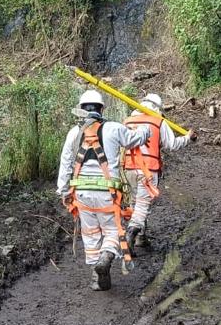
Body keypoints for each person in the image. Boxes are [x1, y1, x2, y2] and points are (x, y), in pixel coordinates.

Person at [56, 89, 151, 291]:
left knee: (90, 234)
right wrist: (146, 129)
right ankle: (107, 255)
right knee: (112, 231)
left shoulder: (74, 133)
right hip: (108, 192)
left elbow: (65, 163)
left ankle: (96, 278)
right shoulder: (114, 128)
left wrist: (63, 191)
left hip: (81, 192)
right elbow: (135, 139)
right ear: (102, 109)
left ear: (82, 109)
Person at [121, 93, 197, 249]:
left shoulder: (127, 121)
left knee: (135, 202)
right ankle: (131, 234)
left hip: (129, 168)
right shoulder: (158, 121)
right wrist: (187, 137)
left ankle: (141, 237)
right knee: (143, 205)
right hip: (148, 169)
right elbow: (172, 144)